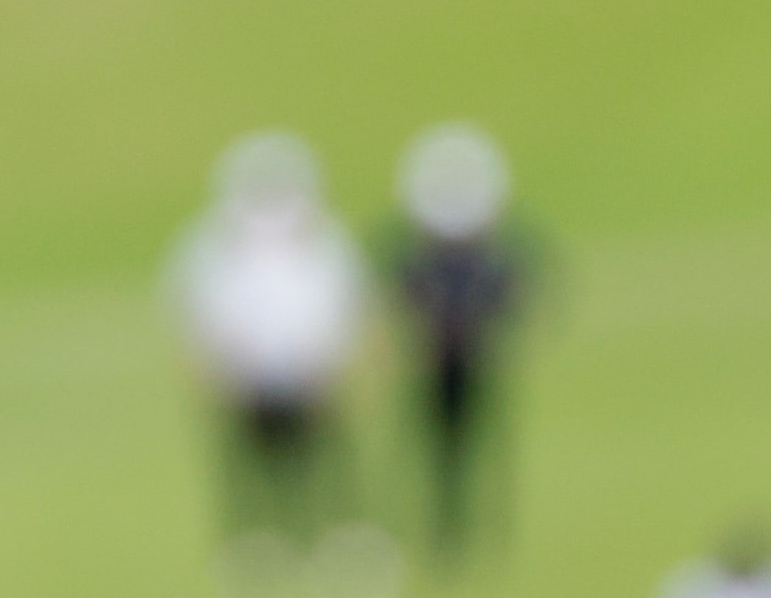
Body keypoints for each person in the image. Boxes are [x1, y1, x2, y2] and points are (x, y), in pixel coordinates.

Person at [169, 133, 369, 566]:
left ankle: (330, 543)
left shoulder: (324, 244)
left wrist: (334, 365)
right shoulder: (215, 249)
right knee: (252, 471)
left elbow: (342, 307)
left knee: (321, 467)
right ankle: (258, 549)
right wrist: (214, 370)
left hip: (310, 377)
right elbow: (201, 315)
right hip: (247, 380)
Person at [378, 122, 536, 562]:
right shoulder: (418, 259)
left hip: (476, 365)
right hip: (431, 368)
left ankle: (480, 529)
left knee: (481, 448)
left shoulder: (488, 261)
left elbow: (517, 293)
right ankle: (434, 527)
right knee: (426, 447)